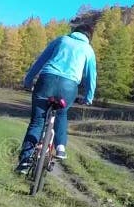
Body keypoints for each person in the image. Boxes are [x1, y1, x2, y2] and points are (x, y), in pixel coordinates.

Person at [15, 23, 97, 174]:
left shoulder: (61, 40)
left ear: (74, 32)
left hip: (46, 81)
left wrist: (28, 81)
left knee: (37, 121)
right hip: (69, 86)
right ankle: (60, 147)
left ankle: (25, 160)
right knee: (61, 113)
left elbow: (40, 61)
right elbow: (91, 77)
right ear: (89, 37)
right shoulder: (88, 50)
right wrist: (88, 97)